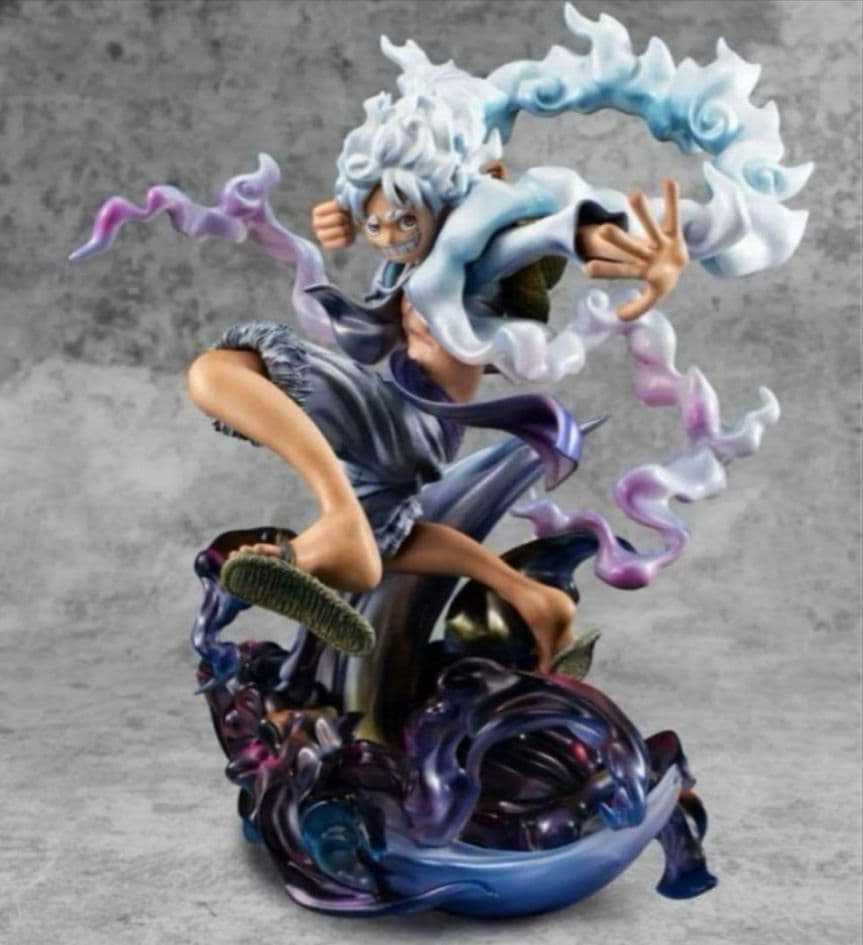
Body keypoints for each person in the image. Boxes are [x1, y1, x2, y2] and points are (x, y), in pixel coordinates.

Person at [185, 151, 688, 670]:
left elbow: (550, 234)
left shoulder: (476, 262)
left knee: (219, 372)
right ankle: (537, 602)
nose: (390, 237)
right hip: (414, 427)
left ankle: (339, 522)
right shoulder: (418, 266)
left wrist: (617, 242)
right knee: (392, 541)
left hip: (410, 420)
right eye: (376, 226)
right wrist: (346, 215)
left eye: (405, 221)